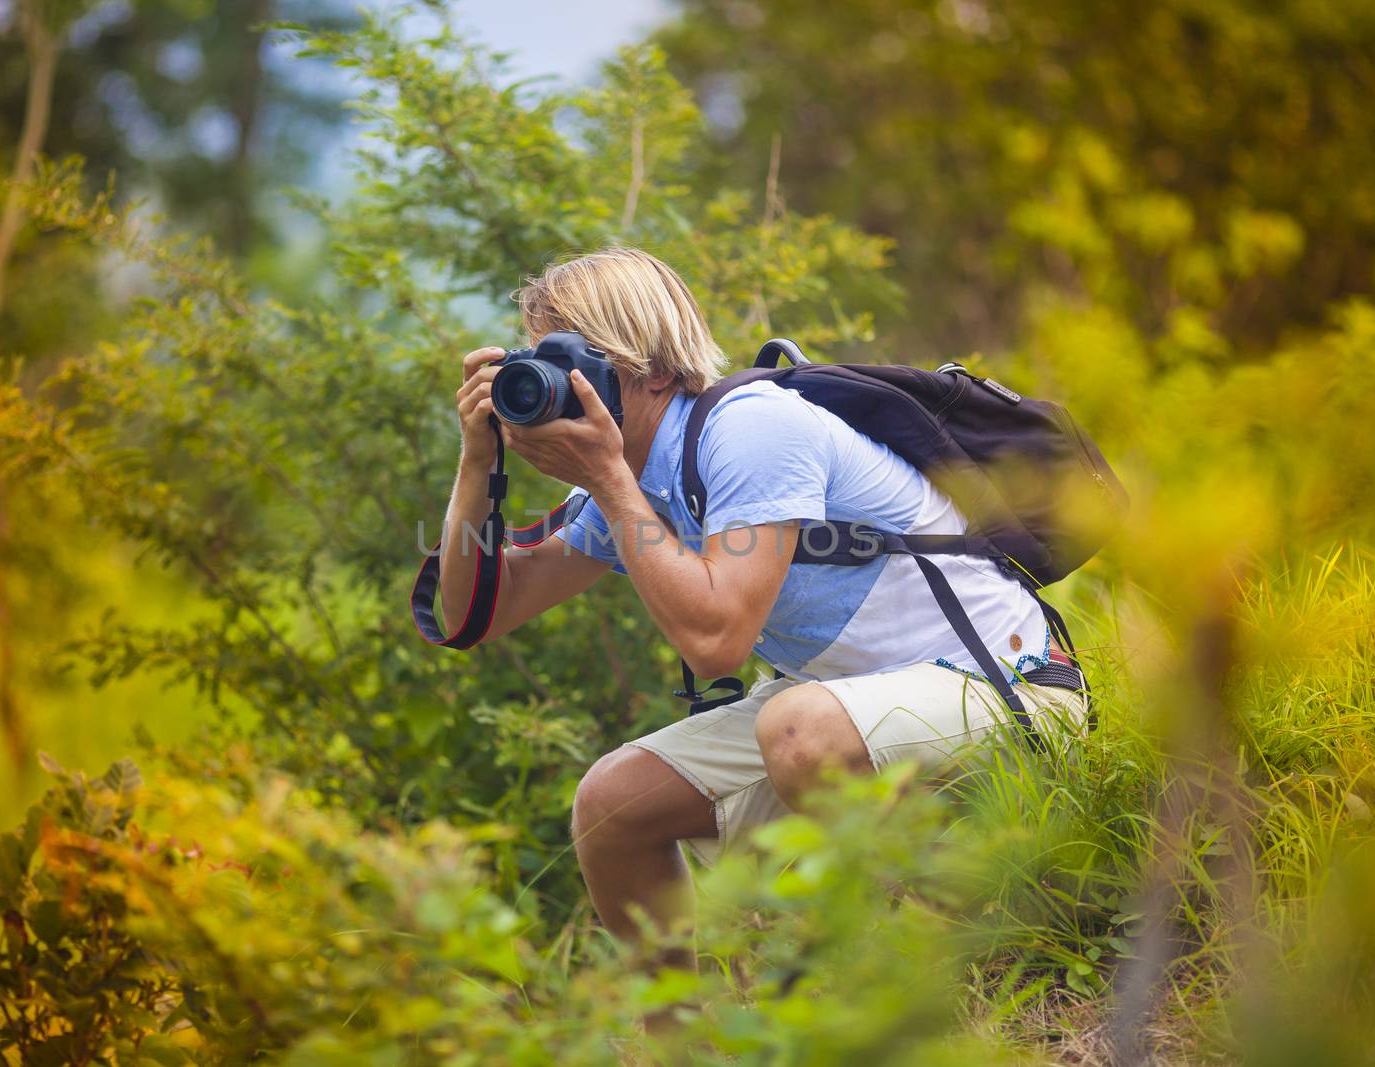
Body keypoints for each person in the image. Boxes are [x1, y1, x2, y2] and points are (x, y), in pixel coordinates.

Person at [437, 247, 1086, 948]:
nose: (551, 387)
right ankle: (675, 1046)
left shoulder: (750, 429)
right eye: (536, 363)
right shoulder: (624, 473)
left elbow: (717, 644)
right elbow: (477, 609)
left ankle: (954, 944)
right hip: (849, 711)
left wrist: (607, 482)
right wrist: (477, 463)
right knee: (610, 803)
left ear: (652, 366)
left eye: (571, 363)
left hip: (1009, 691)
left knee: (799, 725)